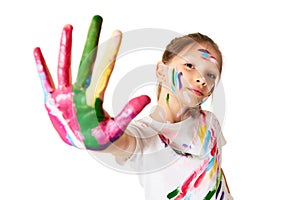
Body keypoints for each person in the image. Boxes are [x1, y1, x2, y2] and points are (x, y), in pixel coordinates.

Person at [34, 15, 233, 200]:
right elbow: (123, 144)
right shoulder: (144, 134)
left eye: (211, 75)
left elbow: (217, 173)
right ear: (161, 71)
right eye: (190, 66)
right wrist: (94, 136)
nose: (201, 79)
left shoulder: (210, 122)